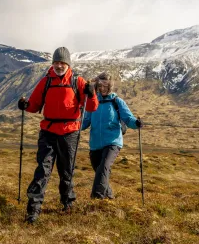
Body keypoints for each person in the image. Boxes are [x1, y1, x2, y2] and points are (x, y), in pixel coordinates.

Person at [17, 47, 98, 223]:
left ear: (68, 64)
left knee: (66, 171)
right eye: (56, 62)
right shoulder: (46, 81)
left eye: (62, 63)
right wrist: (25, 105)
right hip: (48, 131)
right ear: (52, 64)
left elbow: (92, 108)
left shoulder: (78, 82)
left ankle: (67, 203)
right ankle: (33, 211)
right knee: (42, 171)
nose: (59, 66)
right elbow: (34, 104)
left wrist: (91, 94)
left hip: (69, 133)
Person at [82, 72, 142, 200]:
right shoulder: (92, 101)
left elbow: (128, 118)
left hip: (112, 142)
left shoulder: (117, 101)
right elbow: (86, 121)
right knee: (100, 172)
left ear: (110, 86)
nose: (103, 88)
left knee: (104, 167)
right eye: (100, 85)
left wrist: (136, 123)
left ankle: (96, 200)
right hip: (95, 144)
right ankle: (110, 198)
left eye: (106, 86)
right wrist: (73, 127)